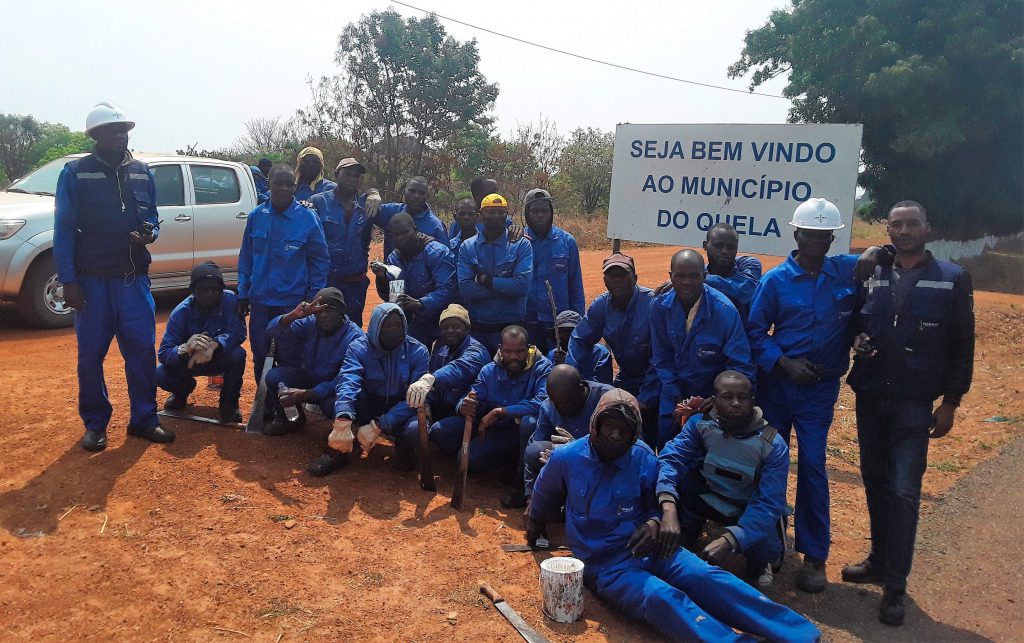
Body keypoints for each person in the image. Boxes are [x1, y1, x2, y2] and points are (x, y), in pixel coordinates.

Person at [527, 388, 821, 643]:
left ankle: (797, 633)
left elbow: (657, 501)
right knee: (661, 597)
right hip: (607, 566)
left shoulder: (642, 456)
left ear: (635, 434)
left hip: (655, 548)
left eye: (624, 431)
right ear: (595, 425)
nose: (614, 435)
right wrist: (535, 523)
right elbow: (542, 494)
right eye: (608, 427)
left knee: (706, 577)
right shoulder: (567, 458)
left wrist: (655, 522)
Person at [843, 200, 975, 626]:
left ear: (928, 228)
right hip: (870, 396)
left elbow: (962, 345)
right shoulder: (873, 271)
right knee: (875, 481)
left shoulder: (952, 279)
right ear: (887, 229)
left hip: (915, 403)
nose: (903, 231)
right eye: (896, 225)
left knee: (903, 490)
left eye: (911, 224)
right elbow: (851, 322)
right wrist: (859, 337)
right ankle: (879, 561)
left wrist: (951, 402)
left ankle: (895, 587)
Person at [747, 197, 884, 593]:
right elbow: (756, 333)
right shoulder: (774, 281)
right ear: (797, 234)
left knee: (812, 466)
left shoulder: (845, 272)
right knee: (768, 463)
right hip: (777, 389)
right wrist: (783, 363)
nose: (818, 244)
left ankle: (814, 557)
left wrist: (877, 250)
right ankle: (766, 545)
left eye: (826, 237)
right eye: (811, 236)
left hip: (819, 391)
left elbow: (867, 291)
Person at [54, 101, 173, 451]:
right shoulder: (75, 173)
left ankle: (144, 419)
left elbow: (151, 214)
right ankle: (95, 424)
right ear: (96, 135)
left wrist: (149, 231)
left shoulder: (141, 171)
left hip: (133, 280)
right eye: (113, 131)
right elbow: (62, 229)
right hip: (92, 282)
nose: (121, 136)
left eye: (124, 130)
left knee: (140, 352)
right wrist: (69, 281)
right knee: (91, 356)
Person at [656, 371, 789, 588]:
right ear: (714, 400)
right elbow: (671, 459)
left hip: (747, 506)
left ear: (753, 401)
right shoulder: (700, 424)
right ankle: (689, 527)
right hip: (710, 495)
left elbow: (768, 502)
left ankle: (760, 561)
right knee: (681, 483)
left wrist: (732, 539)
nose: (736, 403)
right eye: (727, 397)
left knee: (764, 549)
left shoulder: (772, 444)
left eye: (742, 397)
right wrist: (668, 507)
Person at [429, 325, 551, 506]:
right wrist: (465, 406)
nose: (514, 357)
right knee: (440, 432)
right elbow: (472, 394)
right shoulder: (489, 370)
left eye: (520, 351)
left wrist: (503, 411)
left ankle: (520, 478)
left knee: (529, 422)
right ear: (500, 350)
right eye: (508, 351)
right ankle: (500, 461)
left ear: (529, 349)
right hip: (491, 430)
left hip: (519, 433)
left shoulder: (542, 368)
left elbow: (542, 401)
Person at [651, 249, 755, 449]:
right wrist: (676, 394)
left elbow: (740, 365)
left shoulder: (724, 311)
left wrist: (717, 400)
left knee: (708, 452)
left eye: (693, 276)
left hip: (711, 396)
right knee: (667, 442)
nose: (686, 282)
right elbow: (661, 357)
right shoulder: (659, 306)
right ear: (670, 276)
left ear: (705, 277)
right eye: (679, 276)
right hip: (673, 390)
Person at [237, 164, 329, 386]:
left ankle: (289, 413)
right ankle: (265, 409)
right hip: (261, 303)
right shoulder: (256, 216)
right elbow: (246, 258)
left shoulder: (307, 218)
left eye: (289, 184)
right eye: (279, 183)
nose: (284, 188)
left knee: (290, 358)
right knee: (260, 355)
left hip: (292, 305)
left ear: (295, 186)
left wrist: (312, 297)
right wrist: (243, 293)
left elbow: (320, 260)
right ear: (269, 184)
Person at [317, 304, 429, 476]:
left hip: (402, 406)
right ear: (377, 326)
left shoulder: (418, 351)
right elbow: (349, 380)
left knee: (416, 427)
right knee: (332, 403)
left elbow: (415, 398)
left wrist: (380, 424)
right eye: (387, 325)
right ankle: (340, 450)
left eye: (397, 325)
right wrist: (343, 420)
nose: (393, 330)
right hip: (370, 401)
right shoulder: (359, 348)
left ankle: (405, 448)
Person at [567, 252, 660, 445]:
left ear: (634, 278)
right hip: (626, 377)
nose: (616, 280)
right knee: (616, 425)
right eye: (611, 275)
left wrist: (646, 398)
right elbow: (579, 339)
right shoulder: (601, 306)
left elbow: (661, 356)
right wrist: (571, 376)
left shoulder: (652, 304)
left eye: (622, 275)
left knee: (651, 433)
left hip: (656, 380)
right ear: (604, 279)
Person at [261, 287, 365, 437]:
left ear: (341, 312)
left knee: (331, 405)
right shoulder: (311, 323)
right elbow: (272, 332)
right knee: (275, 377)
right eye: (319, 311)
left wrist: (309, 394)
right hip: (310, 377)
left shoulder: (355, 338)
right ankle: (291, 420)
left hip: (333, 388)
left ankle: (341, 434)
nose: (323, 315)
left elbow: (345, 381)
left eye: (329, 310)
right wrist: (293, 315)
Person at [157, 262, 247, 423]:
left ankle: (229, 404)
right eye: (204, 290)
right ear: (193, 291)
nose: (211, 294)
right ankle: (181, 392)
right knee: (160, 374)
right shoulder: (180, 312)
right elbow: (164, 353)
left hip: (218, 357)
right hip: (191, 362)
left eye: (215, 289)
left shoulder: (230, 300)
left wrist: (215, 344)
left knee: (238, 355)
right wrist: (184, 349)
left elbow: (238, 332)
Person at [403, 304, 489, 470]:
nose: (450, 331)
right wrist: (426, 402)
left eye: (456, 326)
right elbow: (431, 382)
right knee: (412, 425)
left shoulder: (477, 351)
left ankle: (457, 451)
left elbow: (458, 368)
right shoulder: (441, 349)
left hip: (466, 412)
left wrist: (431, 379)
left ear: (467, 328)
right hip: (443, 406)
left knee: (440, 432)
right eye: (445, 327)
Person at [521, 364, 612, 502]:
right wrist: (531, 497)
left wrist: (581, 448)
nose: (557, 408)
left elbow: (625, 447)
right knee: (535, 451)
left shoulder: (606, 400)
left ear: (580, 390)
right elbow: (533, 450)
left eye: (564, 404)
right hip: (568, 469)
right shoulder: (549, 406)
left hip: (603, 468)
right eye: (554, 403)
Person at [456, 194, 534, 355]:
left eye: (501, 212)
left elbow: (522, 286)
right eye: (490, 212)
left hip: (512, 329)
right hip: (478, 329)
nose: (496, 216)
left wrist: (485, 280)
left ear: (507, 215)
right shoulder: (467, 247)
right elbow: (466, 289)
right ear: (481, 215)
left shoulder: (521, 245)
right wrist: (505, 288)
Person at [309, 157, 382, 328]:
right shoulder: (318, 202)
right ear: (336, 175)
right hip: (327, 281)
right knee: (324, 325)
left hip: (355, 282)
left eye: (357, 176)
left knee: (353, 326)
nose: (352, 178)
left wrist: (374, 192)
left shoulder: (366, 204)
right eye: (347, 174)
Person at [371, 212, 457, 347]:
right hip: (415, 322)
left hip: (443, 319)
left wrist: (421, 303)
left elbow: (448, 290)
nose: (400, 238)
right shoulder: (394, 258)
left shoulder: (437, 253)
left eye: (405, 233)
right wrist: (382, 279)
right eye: (396, 235)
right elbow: (395, 297)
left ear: (415, 231)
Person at [522, 188, 585, 353]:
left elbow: (575, 285)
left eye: (544, 210)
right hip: (527, 322)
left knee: (559, 368)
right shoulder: (519, 242)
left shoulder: (567, 242)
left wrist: (577, 322)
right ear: (526, 214)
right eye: (535, 211)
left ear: (551, 212)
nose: (540, 215)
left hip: (559, 325)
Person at [375, 176, 449, 260]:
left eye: (421, 193)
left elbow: (444, 259)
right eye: (412, 191)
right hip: (391, 271)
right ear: (404, 192)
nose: (416, 196)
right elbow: (361, 213)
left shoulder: (436, 227)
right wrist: (371, 194)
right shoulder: (390, 212)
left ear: (427, 196)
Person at [703, 223, 762, 318]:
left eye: (731, 247)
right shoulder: (696, 273)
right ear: (705, 245)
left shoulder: (749, 264)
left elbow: (745, 291)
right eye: (718, 246)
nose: (724, 251)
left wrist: (698, 279)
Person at [546, 311, 612, 384]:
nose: (565, 336)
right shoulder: (553, 355)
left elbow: (602, 388)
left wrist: (570, 368)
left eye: (570, 331)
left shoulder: (600, 354)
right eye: (561, 331)